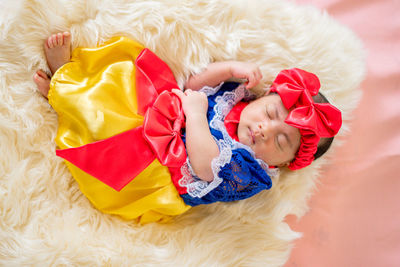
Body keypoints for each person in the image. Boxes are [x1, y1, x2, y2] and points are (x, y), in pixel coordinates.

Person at [33, 32, 342, 224]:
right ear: (265, 95)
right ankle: (70, 78)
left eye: (281, 140)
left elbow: (206, 167)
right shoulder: (237, 96)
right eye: (271, 112)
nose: (265, 129)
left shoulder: (250, 173)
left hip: (157, 171)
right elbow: (193, 83)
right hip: (159, 107)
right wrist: (231, 69)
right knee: (122, 81)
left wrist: (195, 116)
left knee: (107, 135)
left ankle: (61, 95)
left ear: (285, 163)